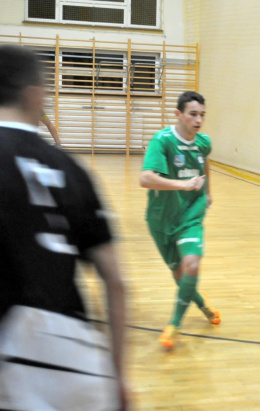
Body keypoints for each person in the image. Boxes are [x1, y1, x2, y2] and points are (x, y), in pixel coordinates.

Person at [0, 45, 127, 410]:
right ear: (34, 94)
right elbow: (116, 282)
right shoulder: (71, 170)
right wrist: (119, 376)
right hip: (67, 361)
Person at [140, 91, 221, 351]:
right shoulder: (162, 140)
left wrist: (206, 192)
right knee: (179, 273)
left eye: (202, 115)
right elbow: (146, 178)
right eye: (193, 114)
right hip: (161, 217)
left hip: (191, 214)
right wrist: (183, 184)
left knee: (192, 263)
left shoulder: (204, 142)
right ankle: (200, 302)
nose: (198, 120)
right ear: (178, 115)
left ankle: (174, 324)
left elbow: (204, 162)